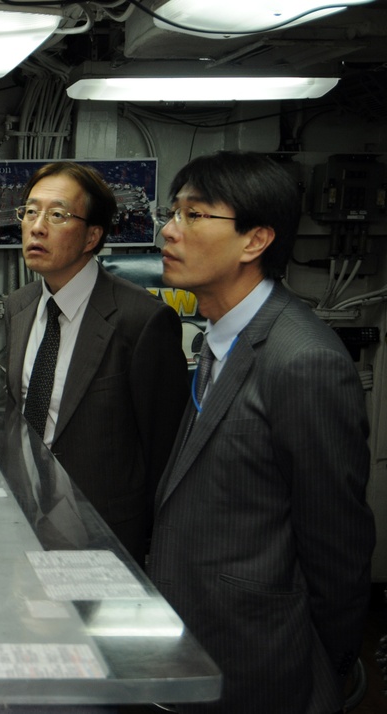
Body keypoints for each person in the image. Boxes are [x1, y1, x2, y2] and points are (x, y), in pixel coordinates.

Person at [147, 151, 375, 712]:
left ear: (255, 241)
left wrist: (327, 671)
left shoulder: (303, 361)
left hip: (262, 662)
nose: (168, 233)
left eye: (194, 215)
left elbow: (336, 548)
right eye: (171, 213)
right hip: (200, 644)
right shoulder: (221, 339)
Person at [3, 162, 188, 563]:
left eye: (57, 215)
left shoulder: (142, 321)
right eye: (30, 212)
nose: (36, 227)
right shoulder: (18, 308)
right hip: (23, 516)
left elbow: (165, 454)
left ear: (92, 236)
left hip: (105, 534)